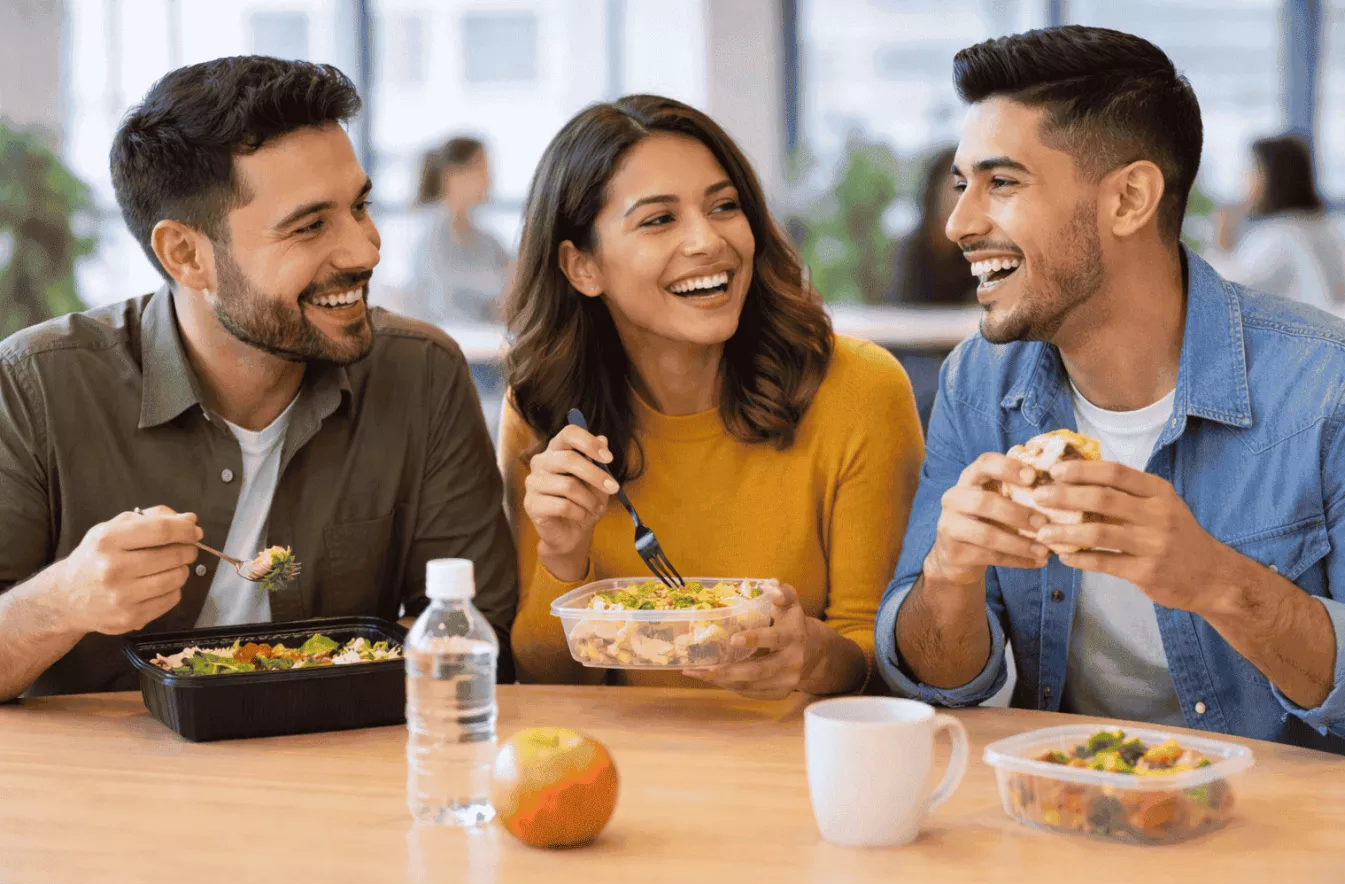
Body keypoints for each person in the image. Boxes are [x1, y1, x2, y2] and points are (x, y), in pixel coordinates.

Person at [875, 26, 1345, 756]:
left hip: (1281, 838)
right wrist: (949, 571)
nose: (959, 223)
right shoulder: (979, 382)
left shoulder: (1332, 388)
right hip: (1057, 818)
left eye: (1001, 183)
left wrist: (1215, 581)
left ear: (1129, 198)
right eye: (960, 185)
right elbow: (935, 689)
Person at [0, 57, 518, 699]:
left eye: (359, 206)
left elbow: (480, 634)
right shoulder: (35, 387)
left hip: (345, 770)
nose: (365, 250)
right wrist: (61, 601)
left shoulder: (420, 376)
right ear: (186, 254)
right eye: (308, 227)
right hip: (104, 787)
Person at [499, 95, 923, 699]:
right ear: (581, 267)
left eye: (724, 206)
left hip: (796, 766)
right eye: (658, 220)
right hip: (622, 769)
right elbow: (548, 680)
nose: (708, 241)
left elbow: (886, 661)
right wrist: (564, 554)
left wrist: (812, 658)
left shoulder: (859, 390)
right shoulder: (542, 409)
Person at [1209, 134, 1345, 309]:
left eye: (1252, 171)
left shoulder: (1280, 236)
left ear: (1271, 178)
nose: (1246, 180)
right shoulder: (1323, 229)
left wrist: (1222, 240)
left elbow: (1223, 292)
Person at [405, 136, 513, 326]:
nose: (489, 177)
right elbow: (442, 303)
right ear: (452, 175)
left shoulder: (488, 240)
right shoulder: (430, 236)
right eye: (480, 167)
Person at [888, 145, 976, 305]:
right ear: (935, 192)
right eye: (959, 187)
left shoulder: (977, 252)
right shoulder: (913, 252)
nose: (961, 198)